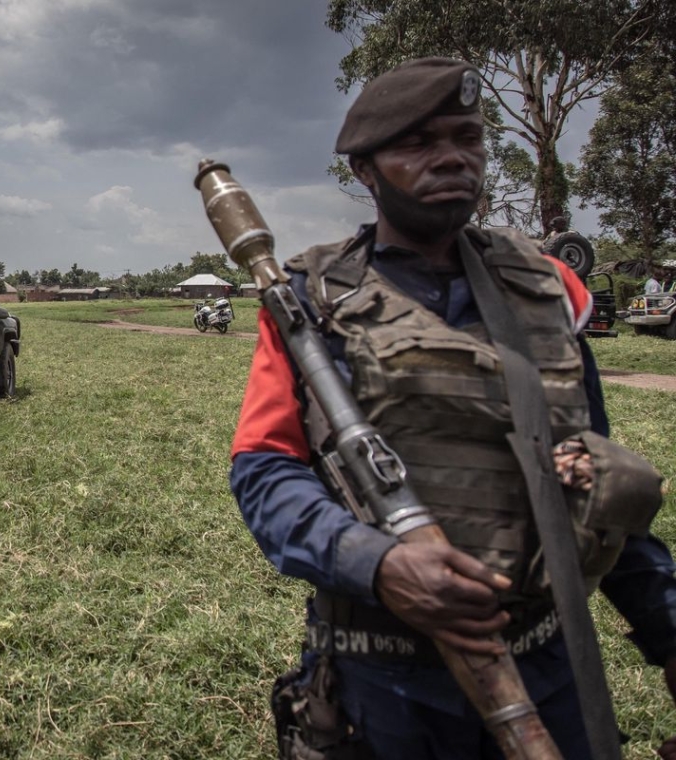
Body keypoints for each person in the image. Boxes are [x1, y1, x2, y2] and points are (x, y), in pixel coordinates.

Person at [229, 58, 676, 759]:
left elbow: (595, 488)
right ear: (365, 173)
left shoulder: (548, 288)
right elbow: (265, 472)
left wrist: (669, 637)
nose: (452, 159)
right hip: (385, 687)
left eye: (467, 138)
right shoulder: (309, 300)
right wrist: (376, 564)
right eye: (419, 144)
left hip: (549, 672)